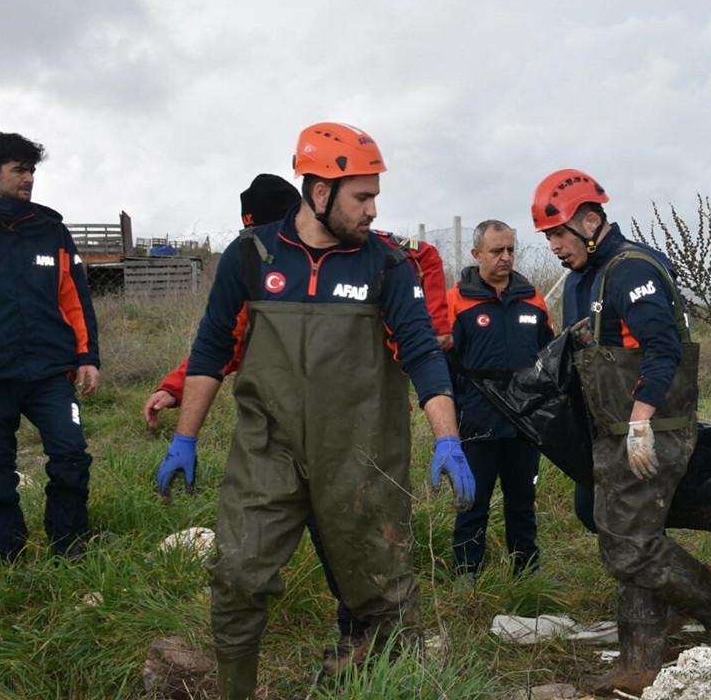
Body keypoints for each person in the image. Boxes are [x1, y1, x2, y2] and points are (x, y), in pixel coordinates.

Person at [154, 122, 475, 700]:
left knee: (385, 588)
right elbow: (209, 349)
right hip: (266, 451)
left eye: (376, 195)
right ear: (319, 192)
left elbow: (424, 352)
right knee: (236, 575)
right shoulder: (251, 257)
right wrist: (186, 438)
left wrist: (446, 438)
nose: (374, 209)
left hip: (361, 453)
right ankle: (235, 690)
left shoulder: (386, 266)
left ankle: (385, 686)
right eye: (362, 196)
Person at [532, 169, 711, 696]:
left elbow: (662, 347)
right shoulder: (588, 276)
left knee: (628, 545)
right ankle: (641, 660)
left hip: (652, 427)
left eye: (559, 233)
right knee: (625, 534)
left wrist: (641, 419)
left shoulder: (633, 269)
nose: (556, 247)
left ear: (590, 219)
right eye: (549, 238)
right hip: (612, 428)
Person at [142, 177, 452, 428]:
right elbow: (223, 343)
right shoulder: (255, 267)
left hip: (367, 411)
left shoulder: (365, 248)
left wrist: (436, 326)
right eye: (255, 233)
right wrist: (173, 387)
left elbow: (425, 254)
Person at [0, 132, 100, 561]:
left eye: (32, 169)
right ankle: (8, 552)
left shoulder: (51, 229)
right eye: (19, 169)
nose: (30, 178)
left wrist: (87, 356)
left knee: (71, 454)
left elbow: (74, 298)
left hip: (50, 371)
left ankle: (68, 542)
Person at [447, 219, 554, 579]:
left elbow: (549, 356)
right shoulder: (456, 301)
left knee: (523, 502)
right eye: (497, 251)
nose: (505, 257)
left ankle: (527, 572)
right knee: (471, 502)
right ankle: (466, 574)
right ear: (477, 254)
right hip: (476, 424)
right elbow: (444, 365)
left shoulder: (533, 298)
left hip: (524, 424)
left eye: (510, 249)